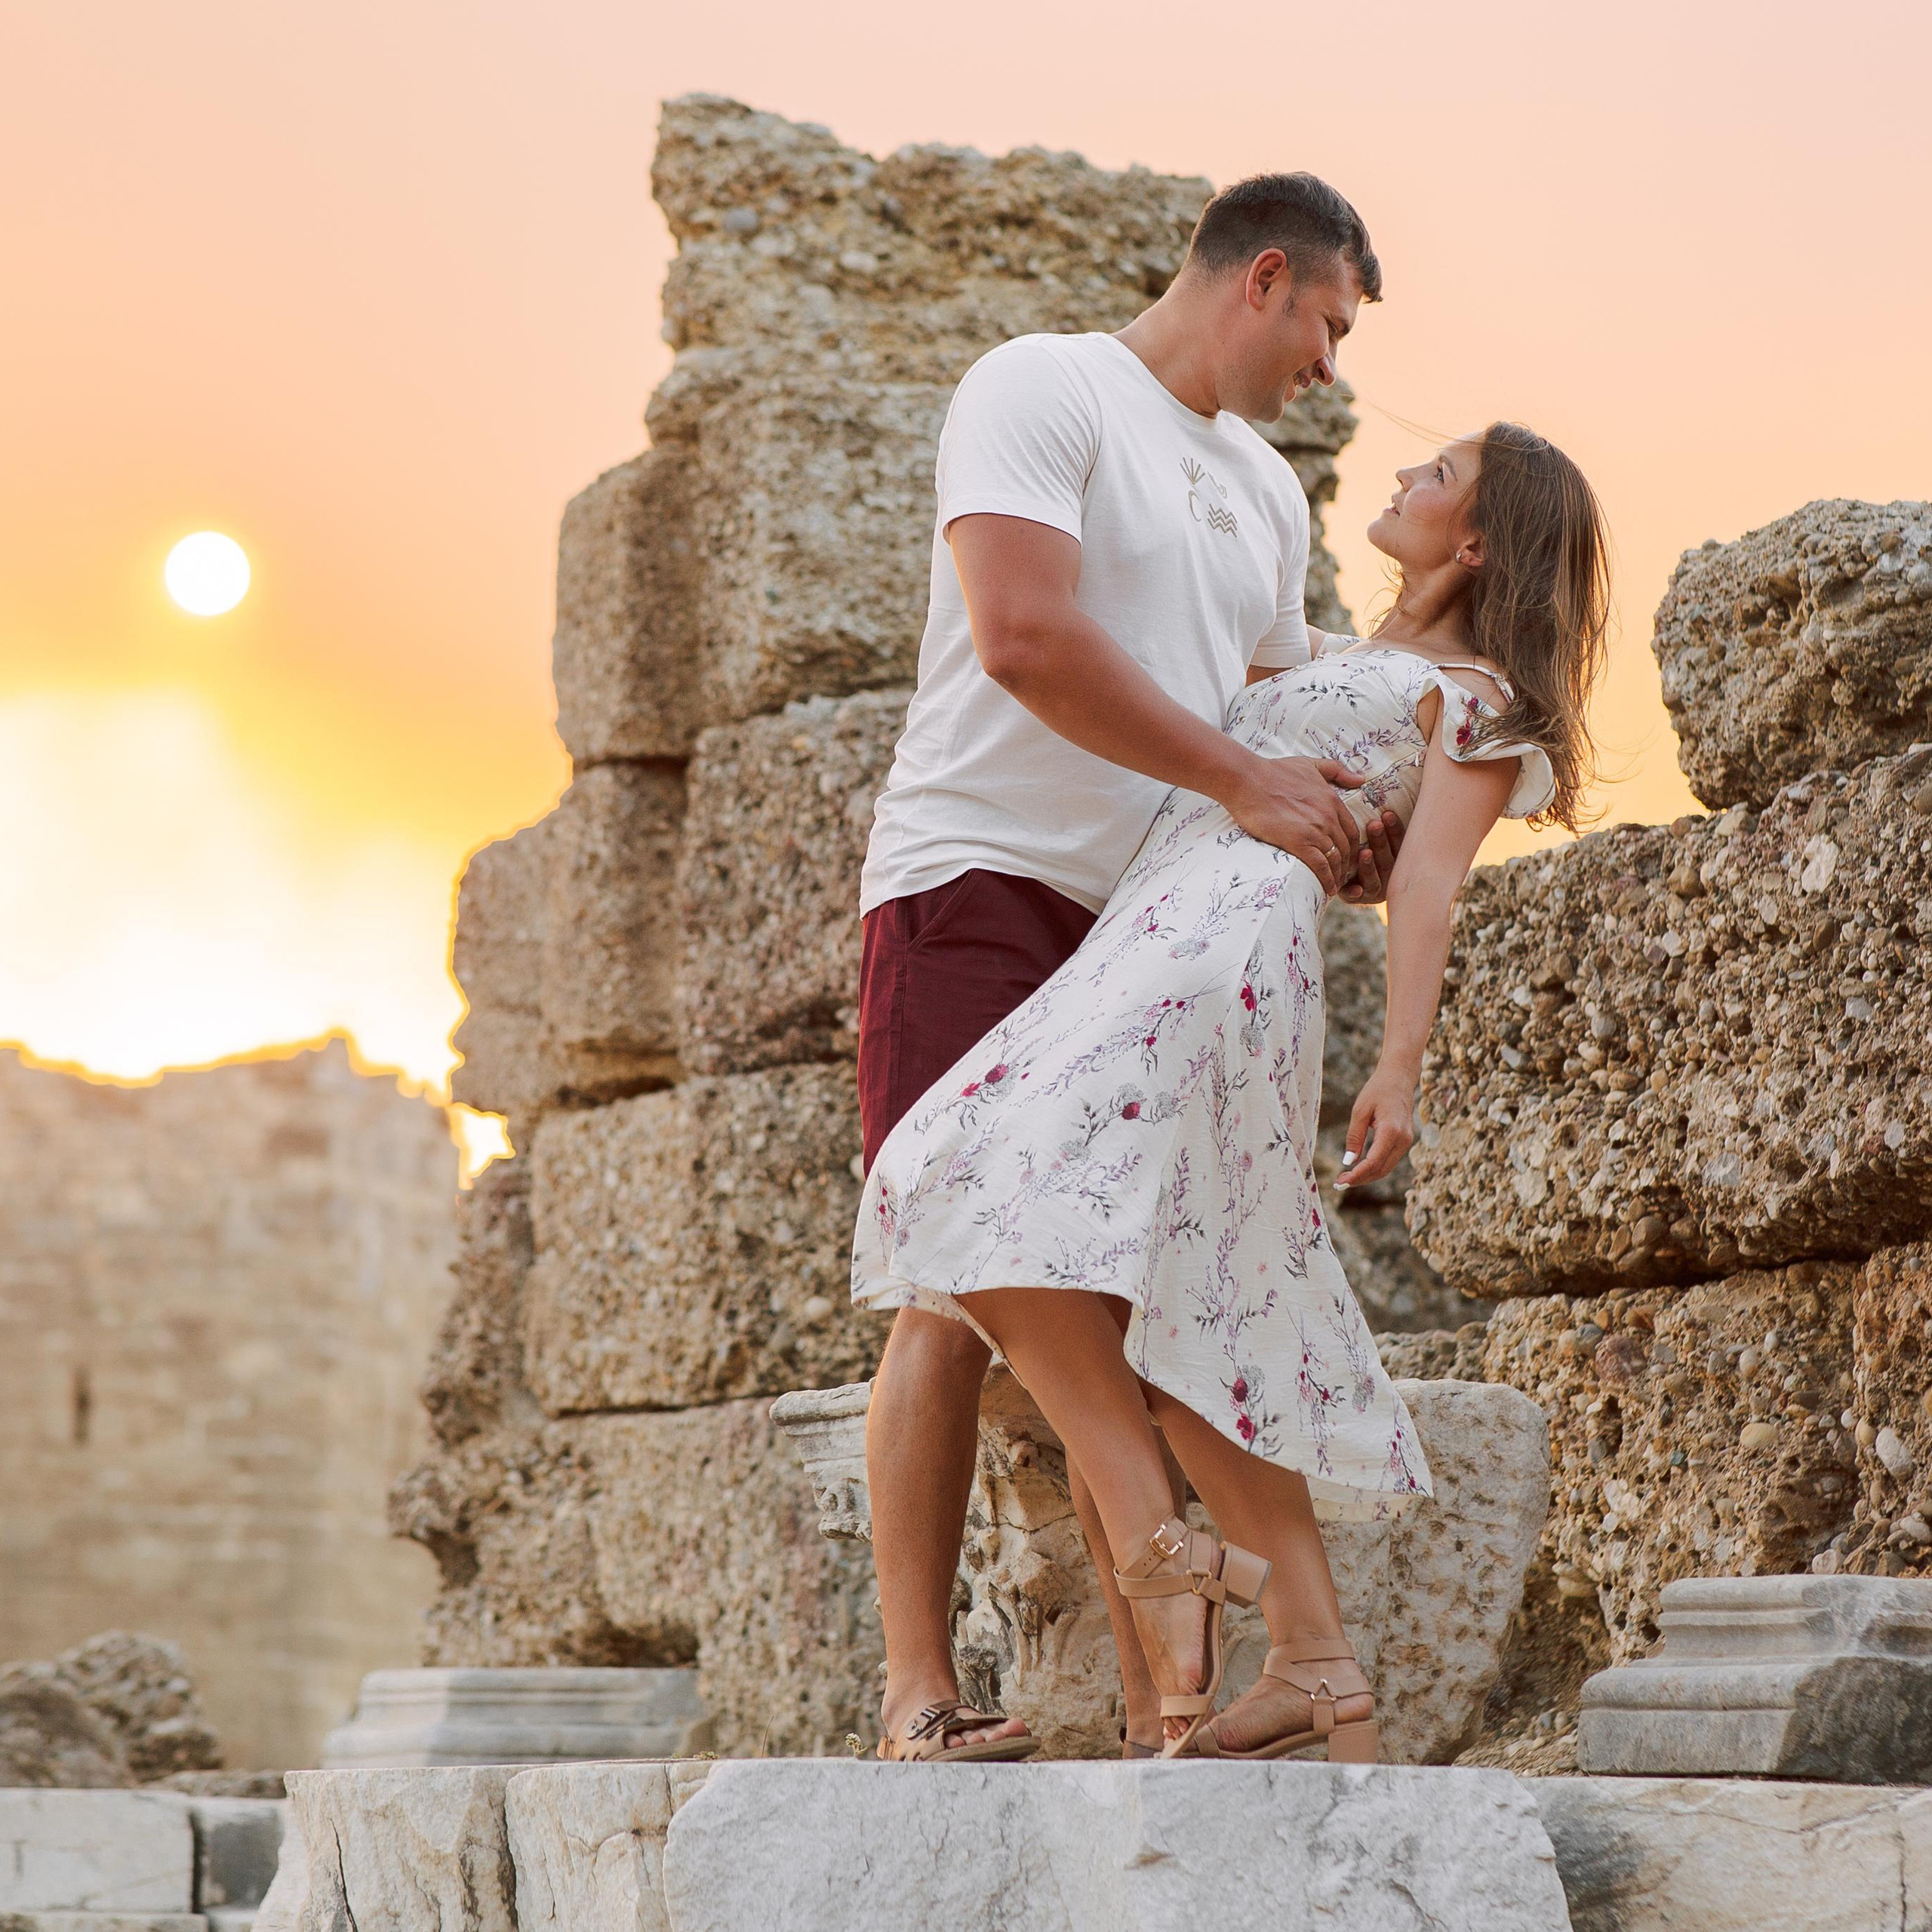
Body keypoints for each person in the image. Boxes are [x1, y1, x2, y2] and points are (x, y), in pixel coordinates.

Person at [856, 419, 1610, 1759]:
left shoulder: (1476, 697)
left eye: (1437, 477)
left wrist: (1398, 1069)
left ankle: (1162, 1549)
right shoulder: (1325, 655)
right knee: (1173, 1276)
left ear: (1480, 544)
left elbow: (1428, 886)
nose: (1403, 477)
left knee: (960, 1178)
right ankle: (1305, 1665)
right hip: (1139, 934)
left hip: (1214, 958)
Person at [854, 170, 1401, 1761]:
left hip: (1143, 929)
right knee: (951, 1271)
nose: (1329, 369)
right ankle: (915, 1692)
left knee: (1121, 1291)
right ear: (1263, 276)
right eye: (1327, 326)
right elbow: (1021, 634)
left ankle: (1166, 1722)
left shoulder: (1269, 493)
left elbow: (1271, 712)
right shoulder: (1042, 386)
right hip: (974, 878)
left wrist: (1367, 820)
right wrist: (1246, 784)